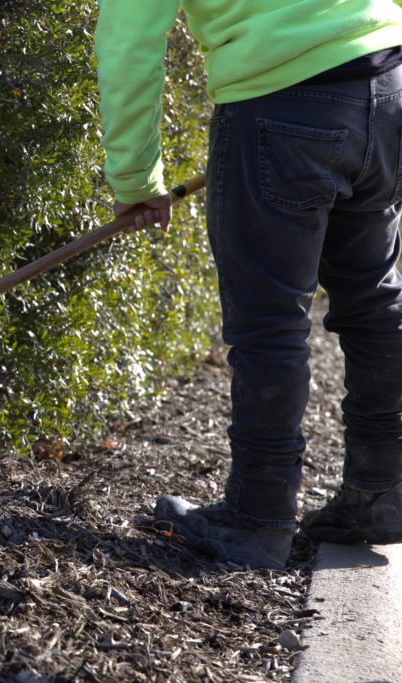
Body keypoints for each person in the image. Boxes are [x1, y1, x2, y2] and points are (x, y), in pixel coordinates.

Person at [94, 0, 402, 569]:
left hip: (277, 102)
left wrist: (136, 179)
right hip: (385, 80)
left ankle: (258, 517)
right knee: (374, 298)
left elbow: (130, 39)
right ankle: (382, 492)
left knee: (270, 320)